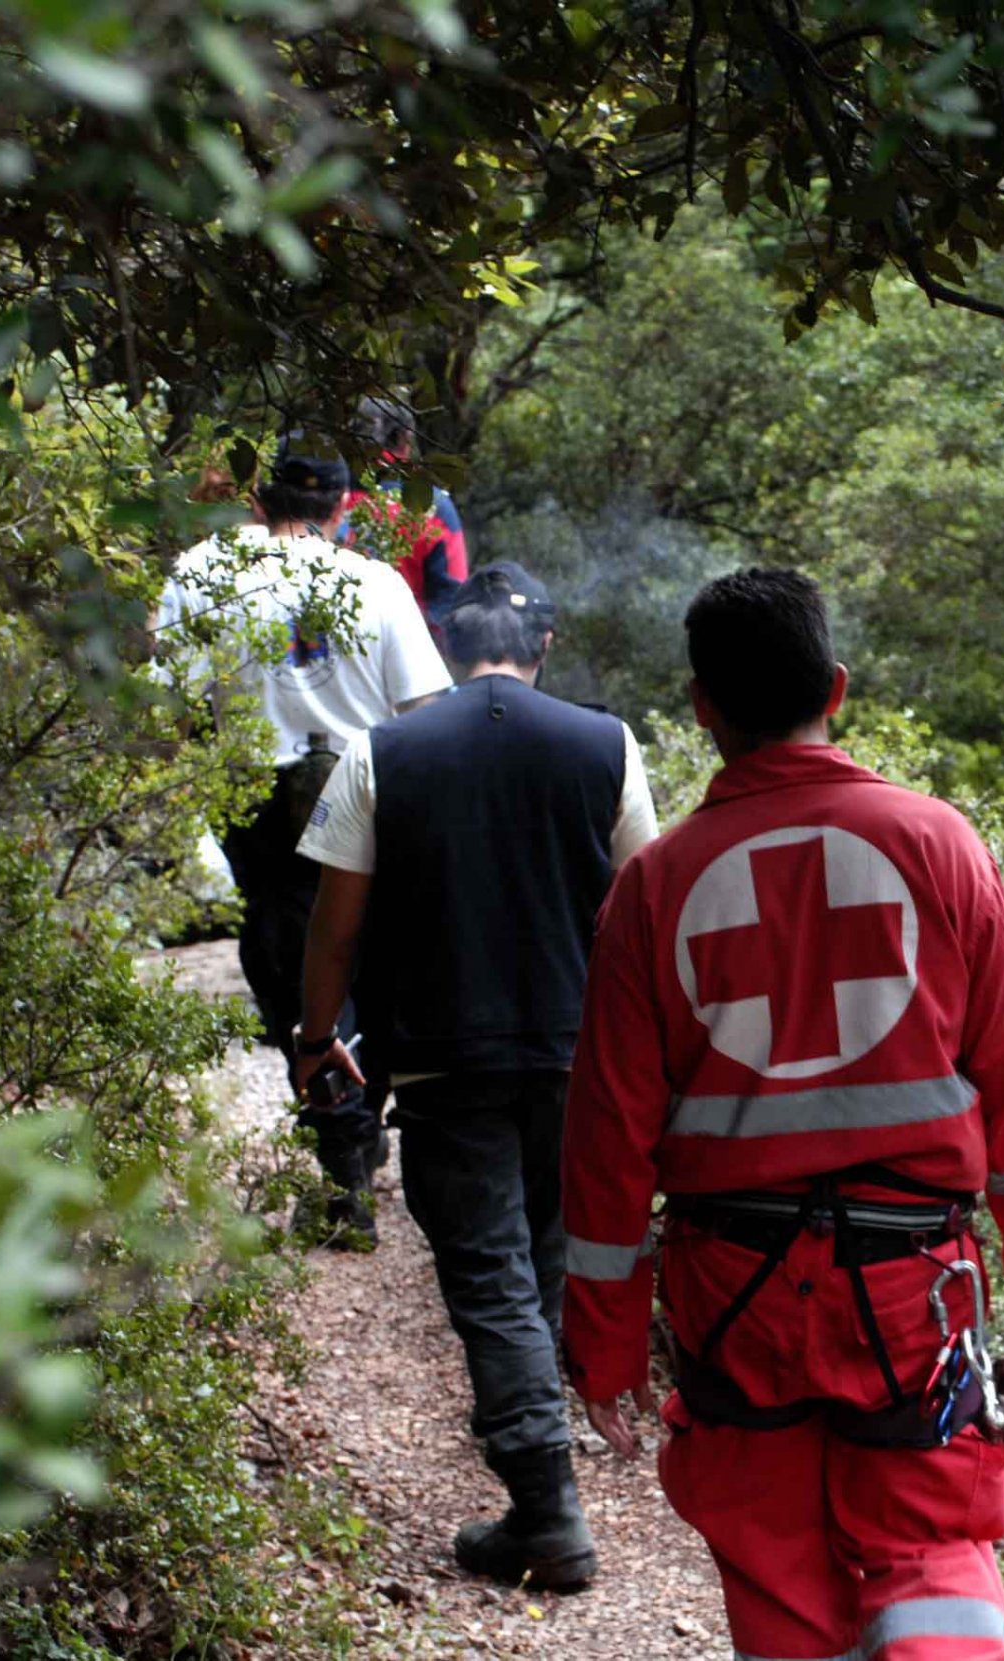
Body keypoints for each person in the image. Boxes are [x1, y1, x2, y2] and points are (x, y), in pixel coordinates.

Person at [559, 568, 1004, 1661]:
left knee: (778, 1566)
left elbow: (605, 1141)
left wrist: (604, 1341)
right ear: (835, 687)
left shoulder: (653, 887)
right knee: (933, 1541)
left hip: (729, 1291)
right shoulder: (939, 843)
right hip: (909, 1288)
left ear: (703, 706)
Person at [292, 560, 659, 1590]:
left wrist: (319, 1034)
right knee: (538, 1255)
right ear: (544, 646)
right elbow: (643, 902)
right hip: (576, 1051)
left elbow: (336, 921)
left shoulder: (384, 749)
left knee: (491, 1274)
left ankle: (545, 1507)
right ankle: (536, 1448)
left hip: (443, 1053)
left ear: (449, 650)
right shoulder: (606, 743)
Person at [156, 451, 452, 1245]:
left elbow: (174, 710)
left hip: (256, 794)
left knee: (292, 968)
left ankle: (341, 1158)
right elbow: (425, 710)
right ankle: (353, 1139)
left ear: (258, 500)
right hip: (364, 787)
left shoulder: (200, 570)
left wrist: (191, 802)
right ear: (343, 505)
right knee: (368, 958)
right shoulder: (377, 582)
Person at [342, 395, 470, 653]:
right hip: (411, 658)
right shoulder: (432, 508)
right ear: (403, 438)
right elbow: (452, 602)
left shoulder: (329, 498)